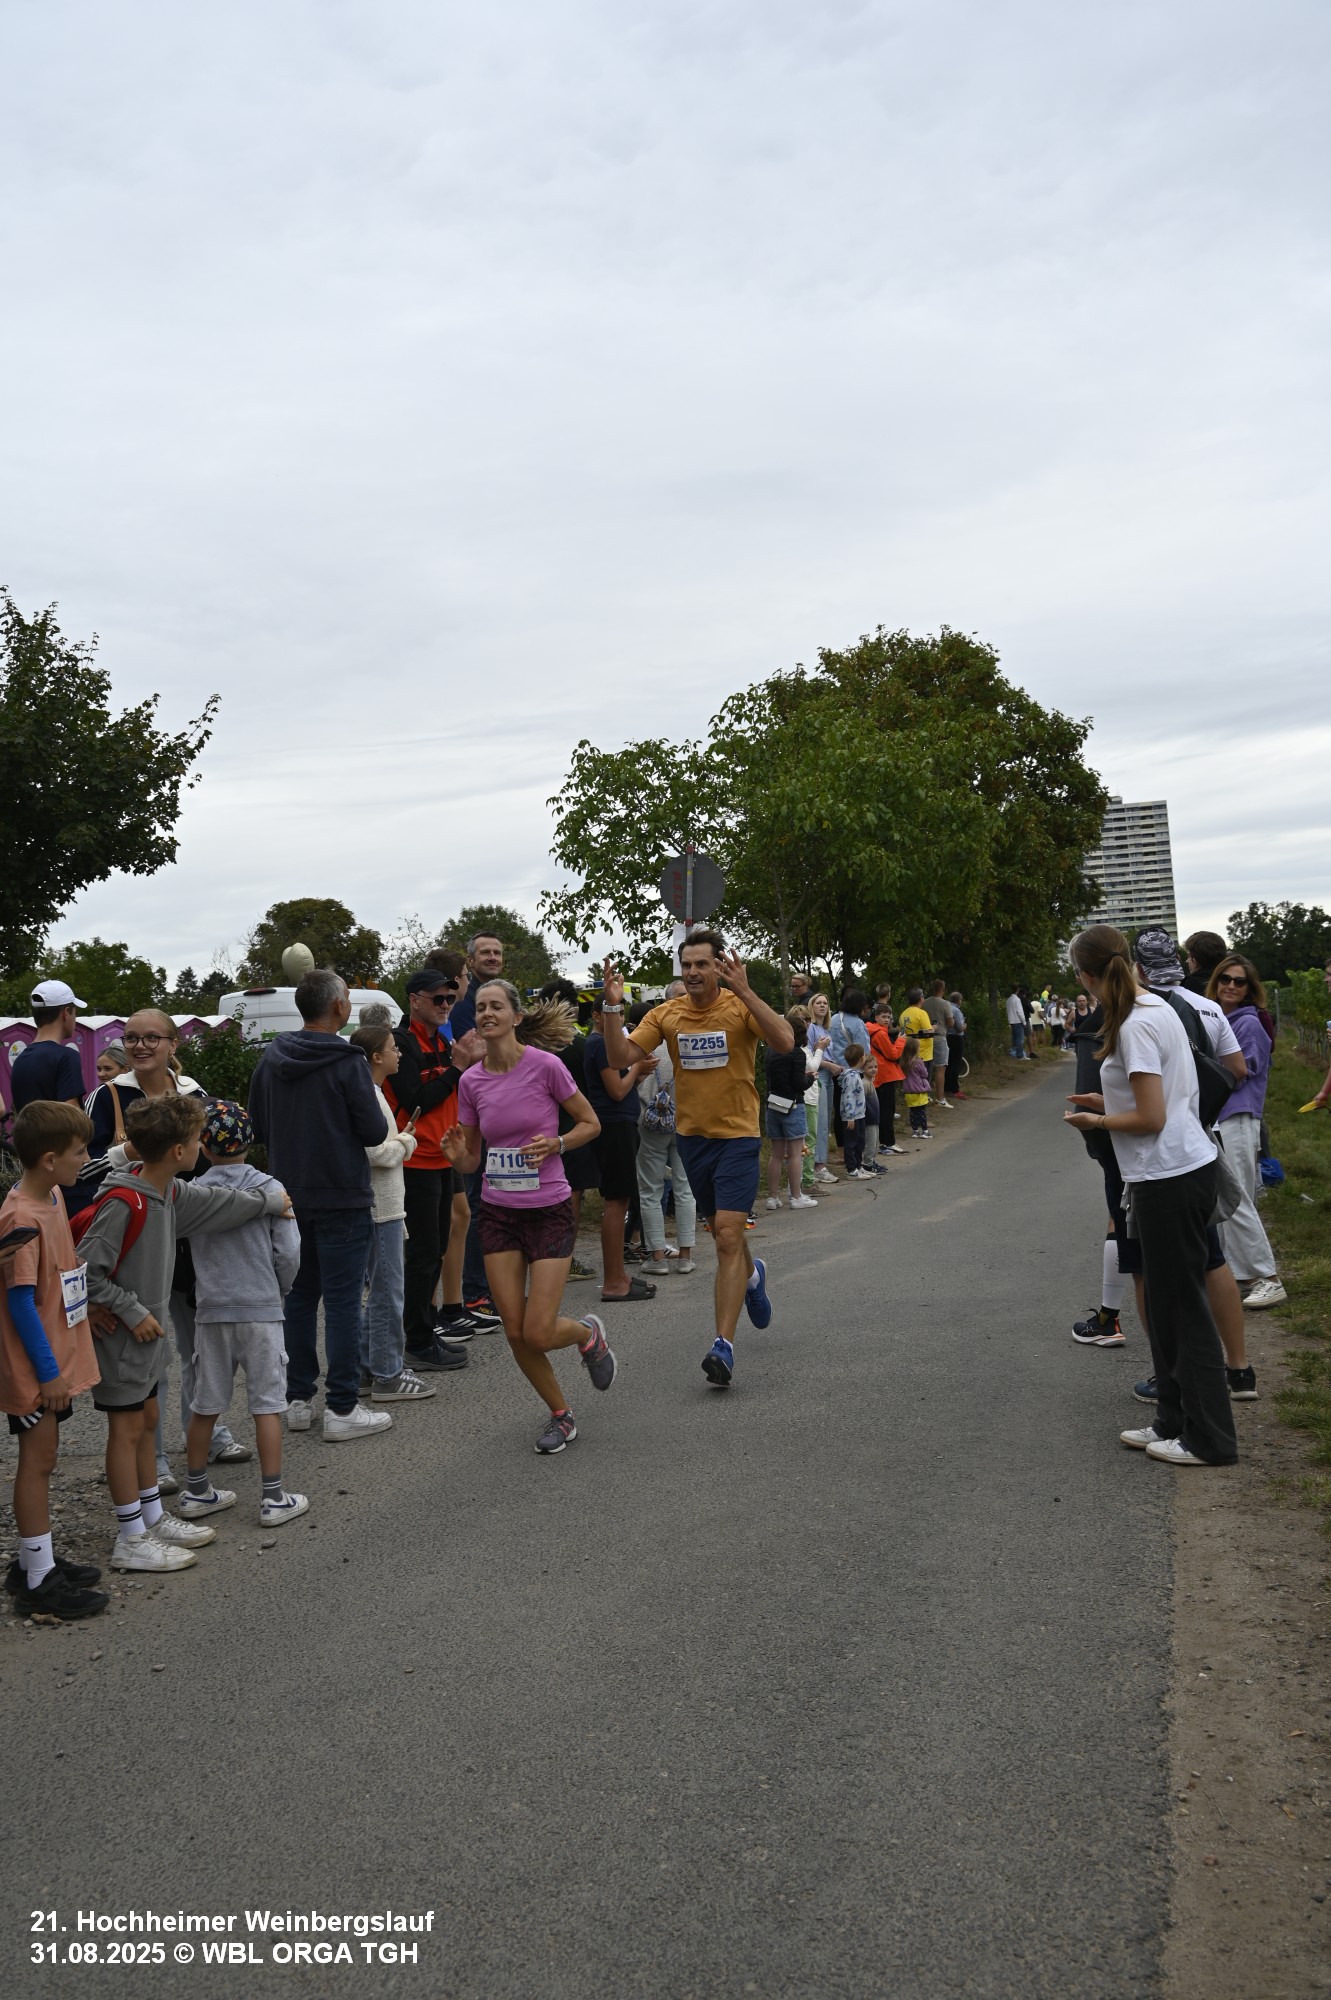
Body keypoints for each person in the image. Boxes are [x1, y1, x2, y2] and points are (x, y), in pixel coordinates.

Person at [79, 1094, 296, 1570]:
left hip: (147, 1341)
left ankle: (152, 1517)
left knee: (147, 1422)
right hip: (125, 1339)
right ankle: (131, 1536)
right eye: (197, 1139)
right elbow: (86, 1271)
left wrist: (268, 1201)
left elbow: (220, 1202)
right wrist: (131, 1311)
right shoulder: (125, 1201)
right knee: (126, 1432)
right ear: (180, 1151)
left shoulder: (169, 1192)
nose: (202, 1146)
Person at [1064, 925, 1238, 1468]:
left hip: (1170, 1176)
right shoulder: (1152, 1007)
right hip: (1167, 1172)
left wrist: (1098, 1120)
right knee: (1164, 1308)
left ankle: (1210, 1440)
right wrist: (1108, 1099)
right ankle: (1172, 1421)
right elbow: (1160, 1094)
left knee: (1183, 1310)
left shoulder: (1136, 1023)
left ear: (1084, 976)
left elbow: (1152, 1117)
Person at [599, 931, 795, 1391]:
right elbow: (618, 1055)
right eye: (686, 965)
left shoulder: (739, 1007)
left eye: (701, 964)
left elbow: (786, 1041)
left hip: (738, 1137)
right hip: (692, 1140)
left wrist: (746, 990)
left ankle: (723, 1346)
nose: (692, 972)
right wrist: (611, 1008)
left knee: (726, 1234)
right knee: (724, 1233)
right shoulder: (666, 1014)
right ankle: (752, 1276)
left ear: (719, 968)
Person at [80, 1007, 248, 1483]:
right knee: (148, 1351)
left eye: (152, 1037)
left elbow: (211, 1166)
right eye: (132, 1037)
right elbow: (82, 1172)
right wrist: (130, 1152)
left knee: (201, 1346)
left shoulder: (194, 1094)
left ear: (173, 1043)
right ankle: (150, 1460)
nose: (141, 1046)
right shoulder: (107, 1097)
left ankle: (206, 1433)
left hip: (190, 1241)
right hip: (137, 1241)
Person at [443, 978, 610, 1454]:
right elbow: (473, 1160)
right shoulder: (471, 1081)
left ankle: (587, 1333)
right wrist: (458, 1158)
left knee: (538, 1330)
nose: (487, 1013)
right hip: (498, 1213)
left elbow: (591, 1123)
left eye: (496, 1006)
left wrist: (557, 1143)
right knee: (516, 1332)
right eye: (480, 1007)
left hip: (549, 1209)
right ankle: (561, 1415)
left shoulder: (546, 1066)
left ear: (516, 1017)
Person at [248, 967, 394, 1444]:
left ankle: (297, 1400)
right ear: (337, 1006)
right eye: (347, 997)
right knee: (344, 1302)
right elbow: (374, 1131)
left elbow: (258, 1127)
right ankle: (342, 1407)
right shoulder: (349, 1061)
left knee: (299, 1297)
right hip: (342, 1195)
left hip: (289, 1196)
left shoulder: (271, 1059)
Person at [0, 1101, 109, 1618]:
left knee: (46, 1458)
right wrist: (48, 1375)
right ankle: (38, 1581)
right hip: (35, 1370)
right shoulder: (21, 1216)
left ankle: (32, 1560)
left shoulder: (53, 1195)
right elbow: (20, 1303)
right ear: (49, 1159)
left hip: (54, 1359)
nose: (84, 1160)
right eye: (79, 1152)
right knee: (38, 1462)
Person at [180, 1102, 309, 1525]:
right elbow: (289, 1252)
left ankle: (197, 1491)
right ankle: (273, 1497)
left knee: (206, 1403)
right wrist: (279, 1289)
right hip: (261, 1309)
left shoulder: (195, 1193)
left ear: (203, 1145)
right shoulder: (271, 1187)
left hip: (212, 1310)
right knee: (267, 1405)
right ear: (250, 1141)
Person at [383, 969, 473, 1373]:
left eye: (449, 998)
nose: (445, 1005)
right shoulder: (402, 1042)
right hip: (415, 1161)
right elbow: (416, 1098)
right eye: (437, 998)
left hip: (441, 1158)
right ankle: (416, 1341)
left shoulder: (441, 1040)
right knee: (421, 1254)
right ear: (414, 1000)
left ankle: (424, 1327)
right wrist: (457, 1069)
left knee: (434, 1250)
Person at [350, 1024, 435, 1402]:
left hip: (382, 1205)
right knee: (387, 1292)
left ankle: (370, 1368)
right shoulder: (368, 1093)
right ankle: (388, 1373)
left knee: (381, 1291)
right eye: (392, 1048)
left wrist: (398, 1139)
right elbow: (376, 1152)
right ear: (376, 1057)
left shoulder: (371, 1091)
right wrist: (406, 1141)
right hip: (381, 1207)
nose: (399, 1053)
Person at [1208, 954, 1286, 1312]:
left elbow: (1242, 1072)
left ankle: (1268, 1278)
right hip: (1222, 1116)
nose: (1231, 986)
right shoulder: (1218, 1018)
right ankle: (1243, 1275)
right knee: (1229, 1199)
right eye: (1225, 979)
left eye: (1239, 981)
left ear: (1249, 988)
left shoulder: (1248, 1023)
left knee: (1236, 1197)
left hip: (1238, 1114)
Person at [584, 998, 658, 1302]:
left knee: (622, 1199)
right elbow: (616, 1091)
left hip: (620, 1123)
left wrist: (639, 1072)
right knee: (616, 1202)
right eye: (611, 1013)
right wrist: (637, 1066)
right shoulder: (600, 1044)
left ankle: (620, 1275)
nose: (618, 1019)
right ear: (596, 1016)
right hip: (613, 1126)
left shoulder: (609, 1045)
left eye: (621, 1014)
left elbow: (624, 1086)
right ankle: (613, 1281)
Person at [630, 999, 699, 1274]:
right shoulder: (684, 1045)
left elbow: (632, 1084)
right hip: (685, 1122)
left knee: (650, 1190)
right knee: (685, 1188)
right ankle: (685, 1256)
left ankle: (657, 1257)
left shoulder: (641, 1049)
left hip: (649, 1126)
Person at [765, 1011, 818, 1208]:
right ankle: (796, 1197)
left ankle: (772, 1197)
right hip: (793, 1105)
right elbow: (799, 1084)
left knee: (776, 1154)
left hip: (773, 1104)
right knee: (795, 1154)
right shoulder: (797, 1053)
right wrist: (810, 1078)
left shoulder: (771, 1051)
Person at [11, 979, 86, 1111]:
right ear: (66, 1013)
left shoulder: (20, 1060)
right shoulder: (66, 1057)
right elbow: (72, 1117)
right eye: (75, 1013)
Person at [806, 994, 839, 1184]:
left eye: (825, 1003)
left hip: (829, 1076)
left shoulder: (825, 1029)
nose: (822, 1006)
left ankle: (819, 1162)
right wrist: (830, 1065)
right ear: (811, 1006)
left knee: (825, 1121)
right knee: (820, 1121)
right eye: (818, 1003)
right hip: (819, 1074)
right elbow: (810, 1056)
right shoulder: (811, 1028)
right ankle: (818, 1166)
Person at [868, 1004, 907, 1153]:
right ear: (876, 1017)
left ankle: (883, 1142)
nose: (887, 1020)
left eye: (889, 1017)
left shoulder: (871, 1030)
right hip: (885, 1075)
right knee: (887, 1111)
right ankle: (888, 1143)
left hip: (877, 1074)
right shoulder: (880, 1034)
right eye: (883, 1016)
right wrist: (901, 1041)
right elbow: (893, 1054)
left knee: (881, 1110)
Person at [839, 1044, 870, 1177]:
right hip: (851, 1116)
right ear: (862, 1058)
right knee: (851, 1142)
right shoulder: (851, 1077)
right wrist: (850, 1116)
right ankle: (851, 1169)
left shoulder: (857, 1075)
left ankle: (858, 1165)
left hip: (859, 1114)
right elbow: (849, 1096)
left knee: (860, 1141)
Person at [924, 980, 953, 1107]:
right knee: (940, 1068)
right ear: (943, 990)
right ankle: (940, 1098)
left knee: (926, 1068)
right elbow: (950, 1022)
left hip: (926, 1037)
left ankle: (925, 1095)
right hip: (940, 1037)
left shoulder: (924, 1002)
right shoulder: (945, 1004)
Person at [898, 988, 935, 1071]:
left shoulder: (903, 1013)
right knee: (924, 1077)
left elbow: (902, 1032)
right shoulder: (921, 1013)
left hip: (909, 1053)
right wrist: (934, 1027)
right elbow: (929, 1031)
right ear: (921, 999)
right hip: (923, 1054)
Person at [1182, 931, 1228, 997]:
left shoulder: (1190, 985)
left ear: (1195, 960)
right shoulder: (1231, 982)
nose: (1187, 961)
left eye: (1189, 956)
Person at [902, 1039, 931, 1137]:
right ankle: (925, 1131)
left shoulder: (904, 1062)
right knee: (921, 1111)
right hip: (919, 1090)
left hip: (908, 1091)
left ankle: (915, 1131)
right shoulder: (918, 1062)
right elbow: (925, 1074)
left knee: (913, 1112)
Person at [1005, 986, 1028, 1059]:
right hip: (1017, 1021)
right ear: (1017, 990)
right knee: (1020, 1039)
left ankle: (1014, 1052)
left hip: (1011, 1021)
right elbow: (1020, 1012)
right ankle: (1020, 1054)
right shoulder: (1017, 1000)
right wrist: (1024, 1021)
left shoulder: (1008, 1000)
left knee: (1014, 1038)